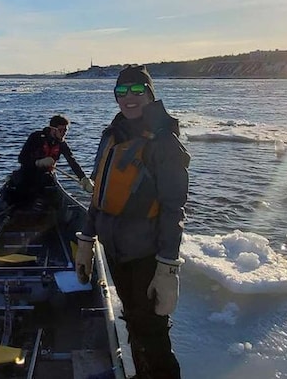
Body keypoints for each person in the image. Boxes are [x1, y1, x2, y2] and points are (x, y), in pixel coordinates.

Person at [75, 65, 189, 379]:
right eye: (122, 92)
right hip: (115, 251)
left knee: (152, 334)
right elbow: (100, 192)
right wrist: (86, 240)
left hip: (146, 256)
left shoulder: (165, 144)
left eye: (137, 91)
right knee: (134, 322)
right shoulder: (111, 135)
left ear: (150, 94)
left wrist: (167, 268)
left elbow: (173, 208)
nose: (129, 98)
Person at [10, 115, 94, 206]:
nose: (63, 134)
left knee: (50, 191)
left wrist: (83, 178)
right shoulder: (36, 137)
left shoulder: (62, 144)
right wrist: (37, 162)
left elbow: (72, 161)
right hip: (28, 172)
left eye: (65, 131)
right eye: (61, 130)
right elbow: (21, 158)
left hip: (46, 176)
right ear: (52, 129)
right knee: (19, 190)